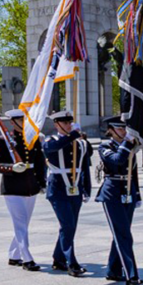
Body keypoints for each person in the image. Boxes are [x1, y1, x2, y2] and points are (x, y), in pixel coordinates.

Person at [0, 109, 47, 272]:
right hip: (13, 187)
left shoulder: (32, 139)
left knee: (23, 223)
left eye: (25, 120)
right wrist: (11, 167)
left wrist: (42, 183)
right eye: (21, 120)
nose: (24, 123)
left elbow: (40, 163)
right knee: (20, 223)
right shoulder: (3, 141)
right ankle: (27, 258)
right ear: (12, 122)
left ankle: (14, 255)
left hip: (31, 186)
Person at [41, 110, 92, 276]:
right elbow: (51, 148)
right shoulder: (50, 141)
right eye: (65, 123)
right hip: (58, 189)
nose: (69, 125)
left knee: (70, 226)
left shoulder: (80, 144)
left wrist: (86, 188)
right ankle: (72, 263)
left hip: (75, 189)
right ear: (57, 125)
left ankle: (58, 258)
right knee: (67, 225)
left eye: (70, 122)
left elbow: (84, 167)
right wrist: (72, 136)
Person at [98, 116, 143, 285]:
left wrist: (137, 194)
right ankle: (131, 274)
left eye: (124, 128)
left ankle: (113, 270)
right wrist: (126, 144)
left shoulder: (129, 146)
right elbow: (117, 160)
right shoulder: (105, 146)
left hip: (128, 191)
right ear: (110, 130)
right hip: (112, 193)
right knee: (123, 235)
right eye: (119, 128)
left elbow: (133, 172)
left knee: (121, 233)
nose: (123, 132)